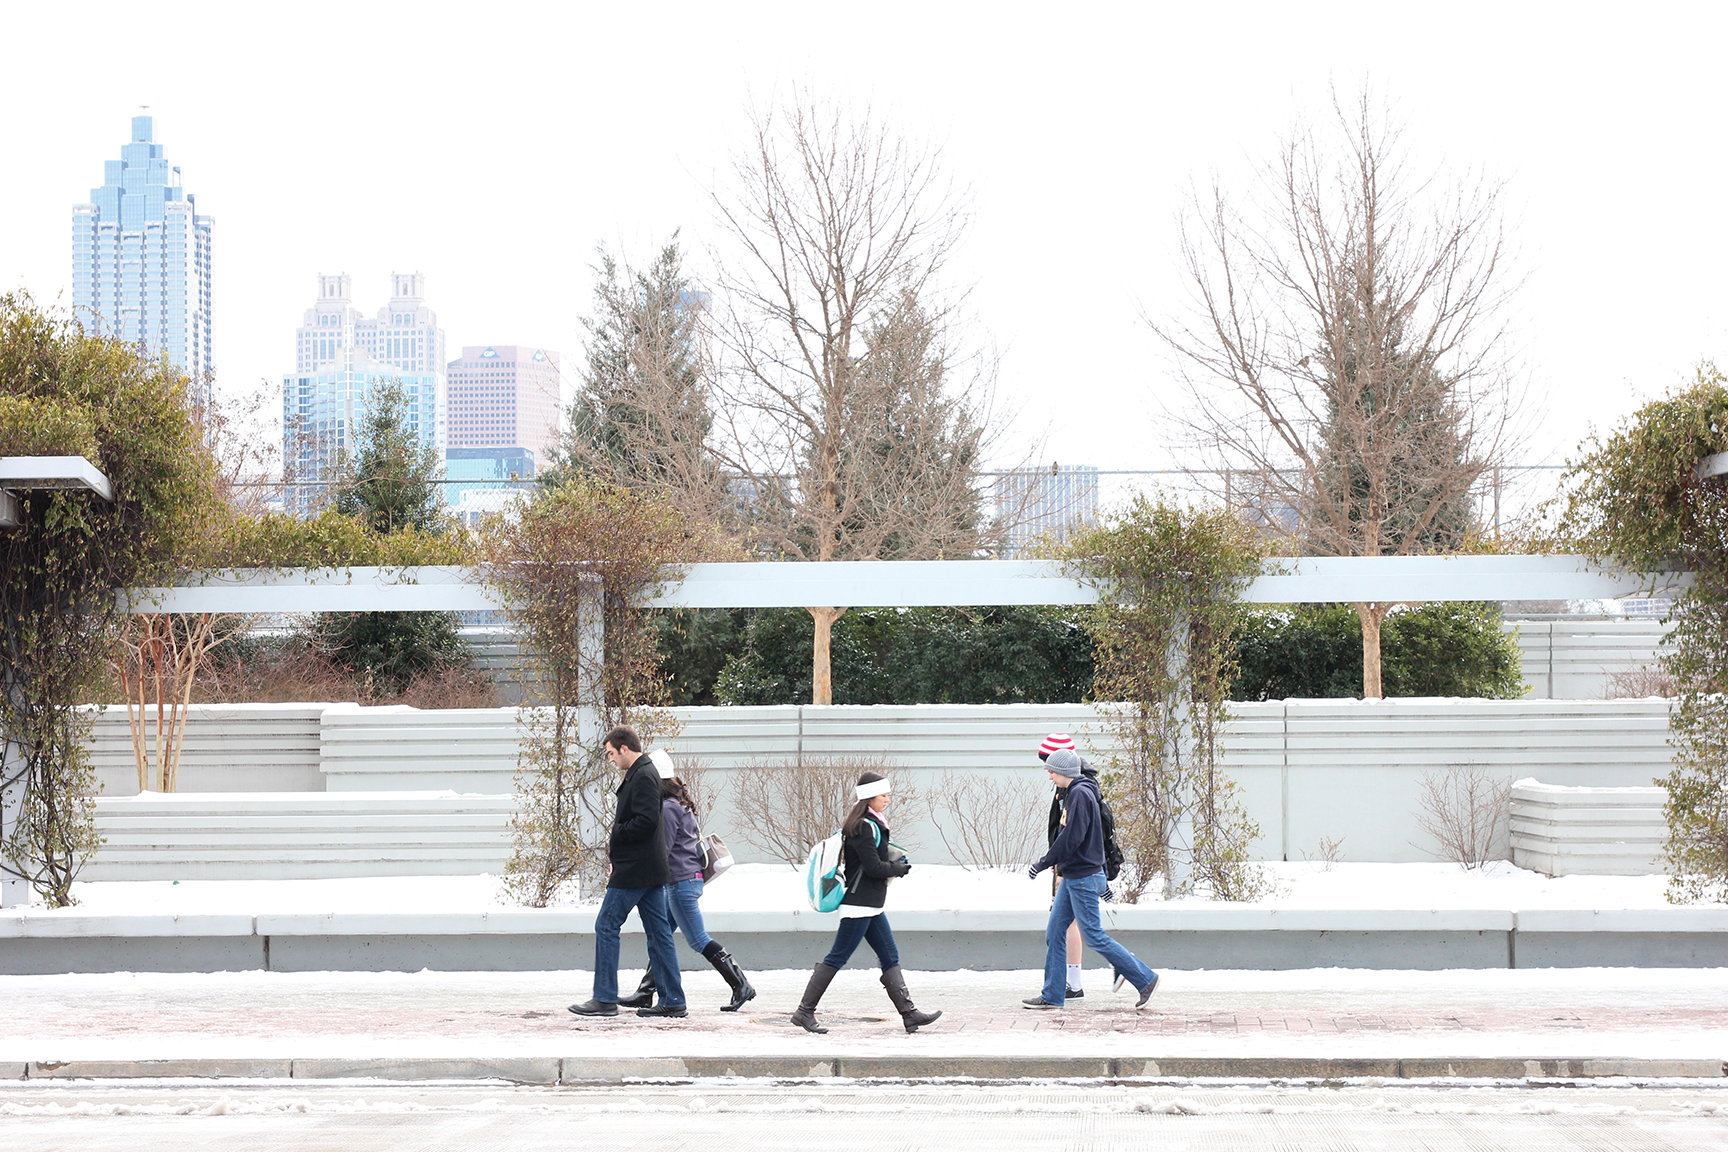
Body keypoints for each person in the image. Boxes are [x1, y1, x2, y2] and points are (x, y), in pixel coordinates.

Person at [790, 771, 942, 1035]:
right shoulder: (862, 826)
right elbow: (872, 867)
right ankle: (804, 1011)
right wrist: (898, 868)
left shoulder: (872, 823)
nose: (887, 799)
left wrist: (894, 865)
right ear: (869, 797)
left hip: (871, 905)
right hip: (859, 905)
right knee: (837, 957)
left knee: (889, 956)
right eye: (884, 795)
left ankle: (909, 1014)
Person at [617, 752, 758, 1012]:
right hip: (683, 881)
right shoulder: (677, 803)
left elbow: (664, 849)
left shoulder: (669, 808)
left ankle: (741, 985)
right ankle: (646, 991)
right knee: (661, 937)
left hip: (681, 882)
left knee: (697, 939)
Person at [1023, 748, 1158, 1011]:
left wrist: (1043, 862)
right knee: (1055, 932)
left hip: (1082, 876)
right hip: (1075, 874)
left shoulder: (1080, 795)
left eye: (1051, 771)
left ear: (1063, 772)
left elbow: (1071, 839)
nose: (1049, 776)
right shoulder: (1074, 793)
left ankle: (1145, 980)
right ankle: (1052, 995)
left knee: (1094, 935)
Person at [568, 726, 688, 1019]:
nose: (610, 759)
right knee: (659, 934)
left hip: (636, 869)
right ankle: (673, 1000)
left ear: (624, 749)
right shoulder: (644, 772)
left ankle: (605, 998)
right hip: (648, 869)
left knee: (606, 925)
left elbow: (646, 821)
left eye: (610, 753)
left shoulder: (643, 775)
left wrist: (617, 836)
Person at [1039, 731, 1091, 999]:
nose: (1048, 774)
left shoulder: (1075, 791)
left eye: (1049, 766)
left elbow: (1071, 834)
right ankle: (1065, 985)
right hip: (1069, 865)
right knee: (1067, 925)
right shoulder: (1072, 787)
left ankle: (1070, 983)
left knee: (1071, 926)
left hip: (1072, 868)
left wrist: (1058, 865)